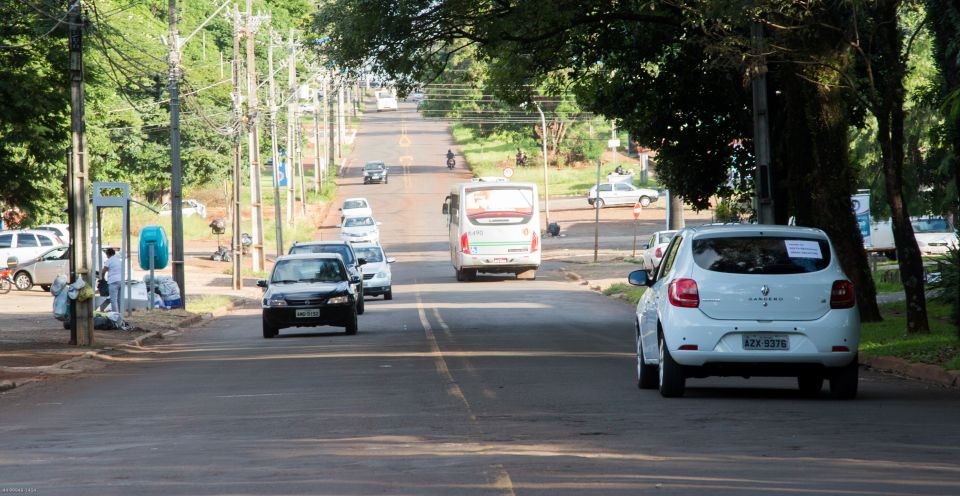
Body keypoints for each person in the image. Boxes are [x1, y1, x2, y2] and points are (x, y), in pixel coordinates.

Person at [100, 248, 123, 313]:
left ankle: (115, 315)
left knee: (113, 300)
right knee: (119, 299)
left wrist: (101, 278)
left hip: (113, 281)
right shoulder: (118, 260)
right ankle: (120, 313)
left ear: (107, 254)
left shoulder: (109, 260)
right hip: (121, 280)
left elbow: (104, 270)